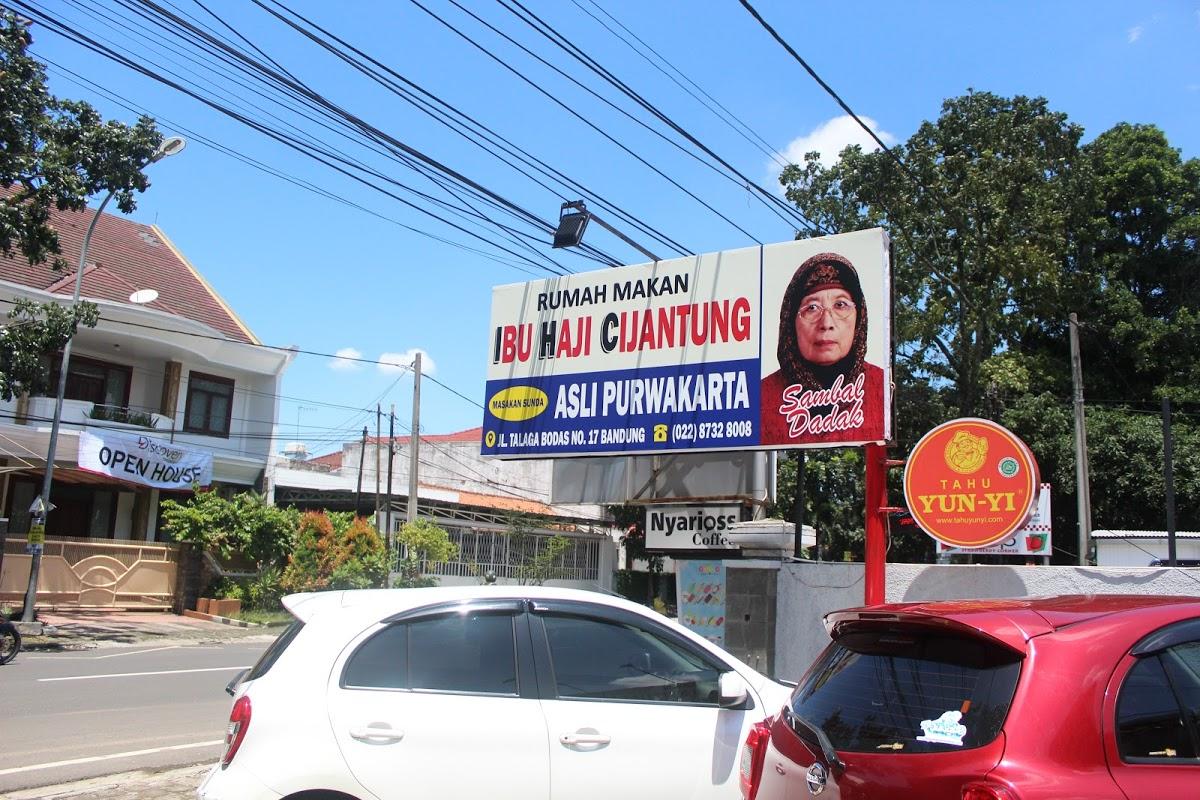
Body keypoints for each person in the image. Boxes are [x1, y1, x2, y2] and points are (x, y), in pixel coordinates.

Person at [760, 251, 885, 444]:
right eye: (812, 308)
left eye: (840, 305)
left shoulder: (880, 389)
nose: (826, 323)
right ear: (790, 322)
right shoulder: (761, 398)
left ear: (859, 318)